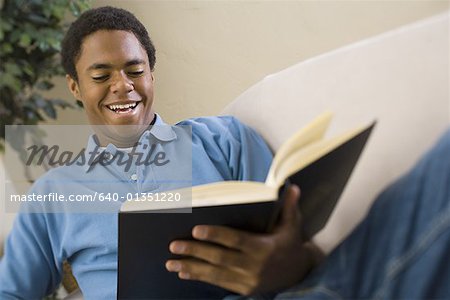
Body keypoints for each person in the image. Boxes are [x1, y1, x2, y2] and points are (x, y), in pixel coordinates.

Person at [1, 6, 449, 300]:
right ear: (76, 88)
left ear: (152, 77)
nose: (123, 85)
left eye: (135, 70)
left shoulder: (223, 139)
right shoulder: (53, 194)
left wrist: (296, 261)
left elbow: (296, 236)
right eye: (101, 75)